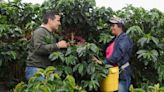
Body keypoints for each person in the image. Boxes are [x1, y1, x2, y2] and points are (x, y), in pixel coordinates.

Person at [25, 10, 69, 81]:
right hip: (36, 70)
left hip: (45, 70)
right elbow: (39, 48)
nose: (59, 23)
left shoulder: (50, 34)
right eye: (58, 20)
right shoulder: (40, 31)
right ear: (50, 20)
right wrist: (57, 45)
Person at [92, 17, 133, 92]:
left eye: (113, 26)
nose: (111, 28)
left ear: (120, 26)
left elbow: (117, 55)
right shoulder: (115, 39)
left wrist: (103, 62)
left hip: (122, 74)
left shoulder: (124, 39)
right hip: (112, 73)